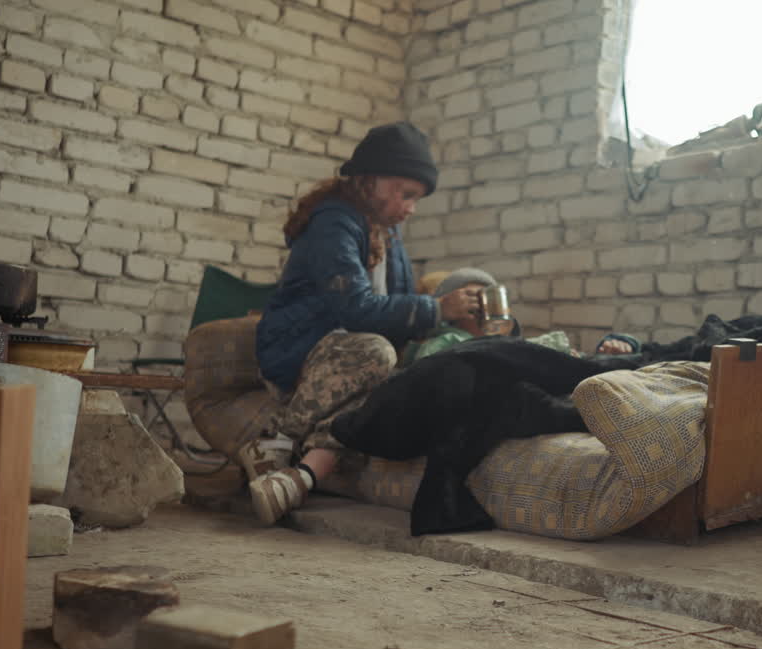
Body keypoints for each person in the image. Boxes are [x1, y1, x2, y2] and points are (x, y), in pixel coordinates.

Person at [242, 122, 482, 526]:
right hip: (299, 350)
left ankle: (299, 479)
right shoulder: (334, 222)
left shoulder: (390, 236)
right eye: (405, 193)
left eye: (416, 199)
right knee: (376, 352)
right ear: (370, 181)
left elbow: (396, 315)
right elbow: (355, 309)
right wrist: (437, 309)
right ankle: (276, 437)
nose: (411, 207)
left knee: (404, 381)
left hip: (355, 360)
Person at [402, 267, 640, 365]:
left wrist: (611, 348)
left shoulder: (510, 342)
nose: (482, 306)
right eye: (471, 298)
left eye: (488, 298)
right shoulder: (442, 344)